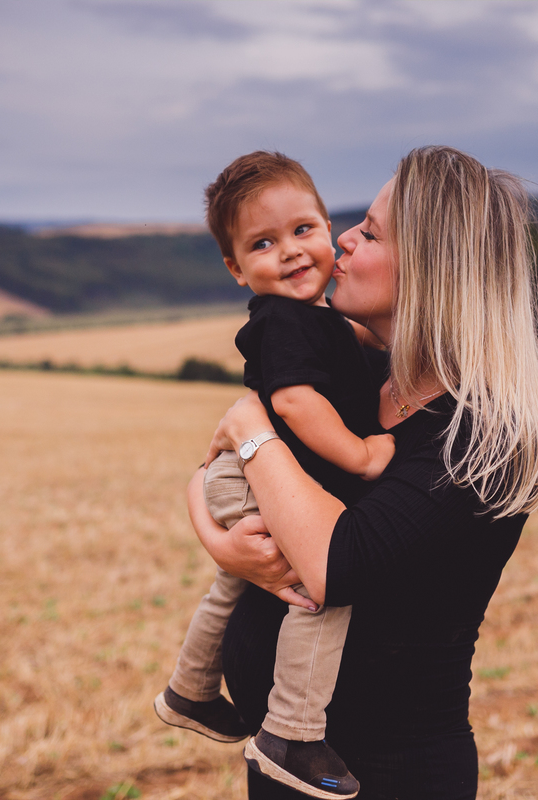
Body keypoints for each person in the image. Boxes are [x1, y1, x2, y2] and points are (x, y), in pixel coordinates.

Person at [188, 145, 538, 800]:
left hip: (386, 774)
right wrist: (220, 542)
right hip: (281, 765)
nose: (343, 239)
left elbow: (336, 564)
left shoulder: (481, 437)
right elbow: (214, 473)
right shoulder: (365, 382)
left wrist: (250, 426)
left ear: (429, 266)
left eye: (369, 231)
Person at [155, 151, 396, 799]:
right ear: (236, 269)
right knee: (318, 586)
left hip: (244, 472)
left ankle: (190, 688)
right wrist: (361, 455)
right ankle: (290, 730)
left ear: (327, 227)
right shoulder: (286, 320)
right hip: (253, 474)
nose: (289, 251)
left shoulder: (313, 320)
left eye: (302, 230)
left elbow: (344, 351)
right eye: (263, 244)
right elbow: (292, 401)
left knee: (236, 577)